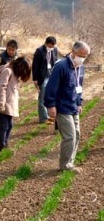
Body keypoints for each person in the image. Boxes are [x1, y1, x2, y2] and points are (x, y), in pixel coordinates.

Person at [44, 41, 90, 172]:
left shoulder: (80, 67)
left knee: (77, 134)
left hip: (73, 106)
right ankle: (65, 165)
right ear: (73, 52)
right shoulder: (61, 66)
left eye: (85, 56)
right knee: (69, 136)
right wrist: (51, 105)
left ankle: (70, 161)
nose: (82, 58)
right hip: (62, 107)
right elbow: (51, 87)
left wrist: (79, 102)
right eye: (80, 55)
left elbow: (79, 87)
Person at [0, 56, 31, 151]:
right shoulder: (8, 71)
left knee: (9, 126)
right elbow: (1, 87)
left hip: (9, 104)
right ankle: (2, 147)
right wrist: (1, 104)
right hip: (3, 105)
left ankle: (5, 144)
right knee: (4, 126)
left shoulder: (14, 72)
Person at [32, 36, 58, 123]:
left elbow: (55, 61)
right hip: (42, 76)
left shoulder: (54, 50)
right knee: (42, 97)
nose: (52, 48)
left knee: (50, 96)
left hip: (51, 74)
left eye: (53, 46)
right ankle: (43, 118)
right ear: (46, 43)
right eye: (50, 46)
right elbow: (35, 65)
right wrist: (35, 78)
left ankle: (50, 115)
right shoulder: (39, 51)